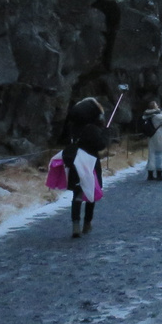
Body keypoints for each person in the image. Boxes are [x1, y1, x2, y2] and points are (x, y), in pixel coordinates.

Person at [59, 97, 108, 238]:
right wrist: (105, 133)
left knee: (77, 194)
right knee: (90, 193)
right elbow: (101, 145)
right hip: (91, 164)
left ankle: (75, 224)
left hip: (76, 162)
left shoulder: (73, 128)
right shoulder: (92, 128)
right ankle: (87, 222)